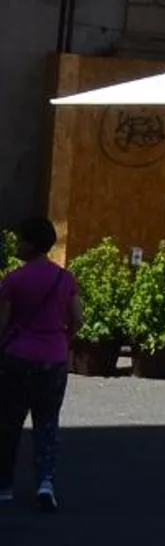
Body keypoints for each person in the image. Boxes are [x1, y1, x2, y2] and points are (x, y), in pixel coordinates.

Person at [0, 217, 80, 513]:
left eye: (21, 239)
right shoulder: (65, 279)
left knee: (8, 423)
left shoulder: (13, 280)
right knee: (47, 423)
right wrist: (64, 338)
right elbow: (78, 318)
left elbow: (3, 322)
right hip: (54, 357)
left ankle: (5, 486)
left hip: (18, 357)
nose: (18, 244)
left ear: (31, 244)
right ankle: (45, 483)